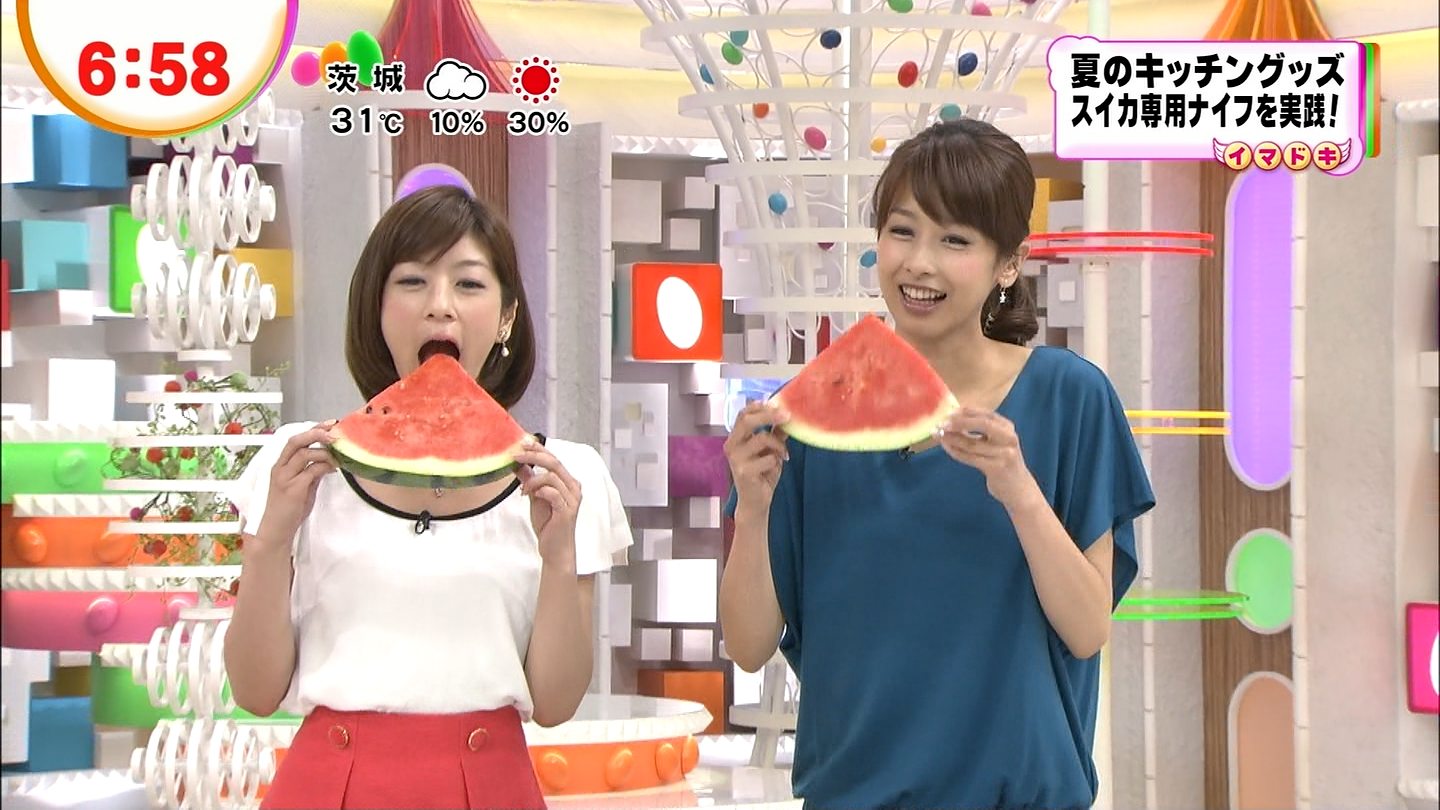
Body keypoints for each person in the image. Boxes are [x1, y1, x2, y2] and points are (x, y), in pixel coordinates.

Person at [720, 118, 1156, 810]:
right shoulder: (807, 417)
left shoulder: (1071, 397)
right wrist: (753, 506)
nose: (918, 263)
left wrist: (1019, 492)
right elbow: (748, 646)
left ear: (1009, 262)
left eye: (955, 240)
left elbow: (1087, 629)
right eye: (902, 231)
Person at [223, 185, 633, 809]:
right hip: (328, 786)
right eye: (412, 281)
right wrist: (271, 540)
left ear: (507, 316)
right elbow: (254, 692)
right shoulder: (297, 465)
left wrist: (558, 557)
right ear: (377, 307)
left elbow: (556, 703)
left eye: (468, 284)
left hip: (489, 788)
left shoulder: (568, 477)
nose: (440, 307)